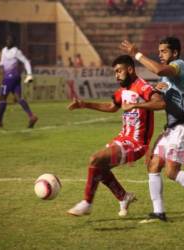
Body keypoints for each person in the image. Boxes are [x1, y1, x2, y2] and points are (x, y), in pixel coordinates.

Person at [120, 37, 184, 223]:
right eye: (159, 51)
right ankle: (159, 212)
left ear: (175, 53)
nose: (160, 54)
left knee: (172, 172)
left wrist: (136, 53)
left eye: (164, 51)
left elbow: (159, 69)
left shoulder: (178, 65)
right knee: (153, 165)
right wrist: (139, 104)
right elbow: (159, 104)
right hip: (171, 128)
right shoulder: (164, 78)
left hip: (183, 126)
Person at [67, 55, 164, 217]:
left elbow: (160, 103)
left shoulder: (142, 87)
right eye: (115, 72)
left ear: (130, 69)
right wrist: (85, 104)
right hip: (122, 139)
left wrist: (136, 104)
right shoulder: (123, 90)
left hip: (136, 144)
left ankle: (87, 203)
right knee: (99, 167)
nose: (116, 75)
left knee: (95, 159)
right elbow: (112, 106)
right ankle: (123, 197)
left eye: (119, 71)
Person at [0, 35, 38, 128]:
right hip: (14, 78)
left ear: (14, 42)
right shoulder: (4, 50)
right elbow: (3, 63)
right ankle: (31, 116)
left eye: (10, 40)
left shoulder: (16, 51)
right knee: (19, 98)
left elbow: (26, 61)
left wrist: (29, 74)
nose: (8, 41)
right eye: (7, 40)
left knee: (2, 97)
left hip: (9, 78)